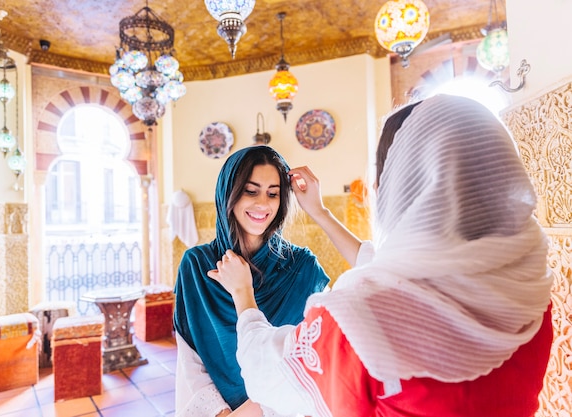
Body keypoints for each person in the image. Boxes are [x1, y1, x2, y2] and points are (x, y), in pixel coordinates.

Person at [208, 94, 554, 417]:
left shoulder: (362, 319)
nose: (374, 189)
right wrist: (320, 212)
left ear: (405, 185)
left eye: (382, 175)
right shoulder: (527, 285)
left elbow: (266, 374)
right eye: (250, 192)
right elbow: (380, 264)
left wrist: (242, 293)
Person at [173, 145, 331, 416]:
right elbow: (190, 357)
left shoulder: (303, 268)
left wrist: (254, 410)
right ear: (228, 193)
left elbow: (314, 355)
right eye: (251, 190)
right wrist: (222, 413)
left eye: (273, 194)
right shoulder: (197, 265)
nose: (263, 204)